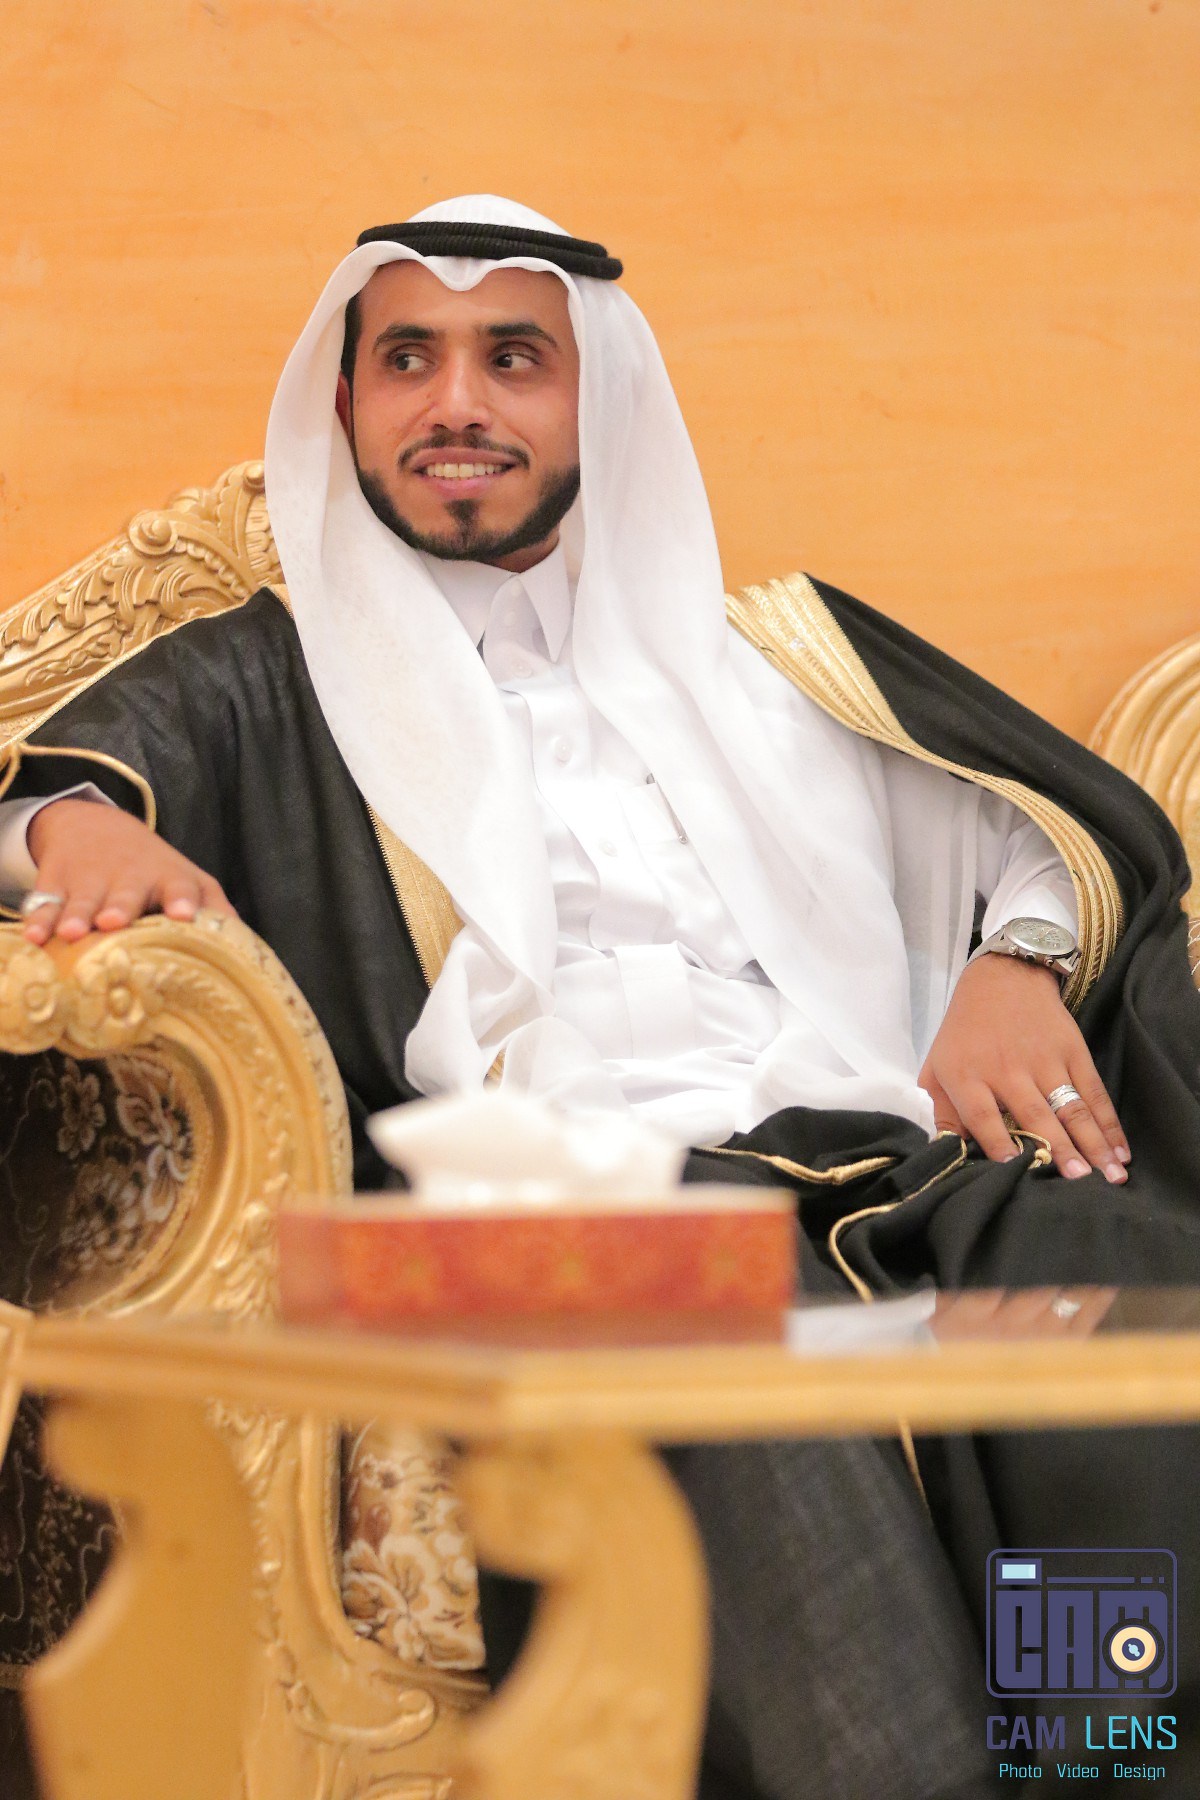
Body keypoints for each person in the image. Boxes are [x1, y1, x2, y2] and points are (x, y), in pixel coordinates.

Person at [3, 194, 1199, 1800]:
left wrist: (1015, 964)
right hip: (542, 1210)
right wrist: (74, 832)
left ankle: (1109, 1766)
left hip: (861, 1159)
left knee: (1114, 1279)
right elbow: (52, 787)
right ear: (346, 401)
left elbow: (1046, 834)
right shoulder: (265, 673)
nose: (456, 403)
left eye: (514, 358)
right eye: (408, 359)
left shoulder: (769, 661)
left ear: (599, 398)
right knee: (730, 1343)